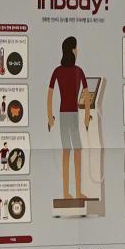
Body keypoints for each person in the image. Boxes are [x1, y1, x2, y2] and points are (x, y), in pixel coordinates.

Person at [46, 36, 96, 204]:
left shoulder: (57, 71)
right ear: (72, 50)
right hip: (73, 115)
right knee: (77, 151)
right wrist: (87, 117)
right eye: (76, 48)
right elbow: (87, 96)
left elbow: (50, 94)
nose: (77, 50)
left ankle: (66, 193)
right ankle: (77, 191)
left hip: (62, 115)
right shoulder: (78, 71)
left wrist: (50, 116)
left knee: (66, 152)